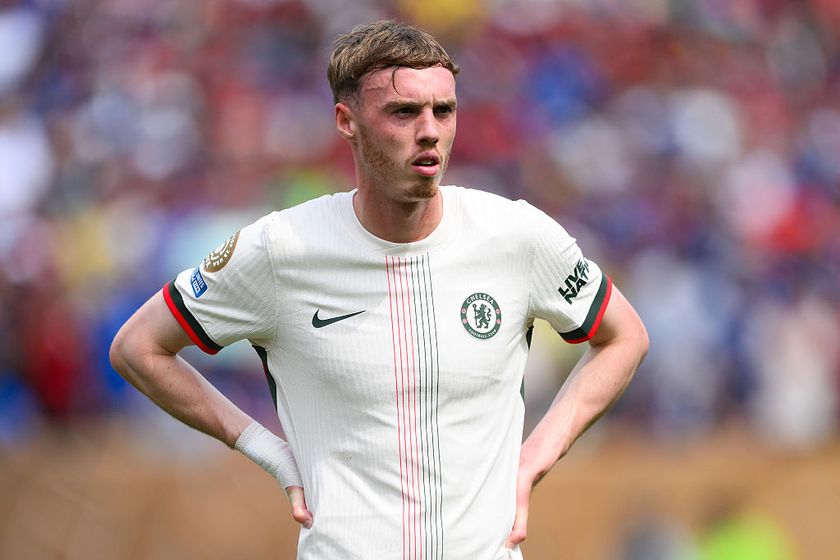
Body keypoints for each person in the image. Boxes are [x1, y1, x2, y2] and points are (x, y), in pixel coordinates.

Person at [110, 20, 648, 560]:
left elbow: (624, 336)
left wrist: (536, 458)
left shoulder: (515, 235)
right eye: (403, 112)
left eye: (444, 109)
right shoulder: (282, 248)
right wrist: (264, 449)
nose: (431, 130)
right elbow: (138, 348)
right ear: (347, 121)